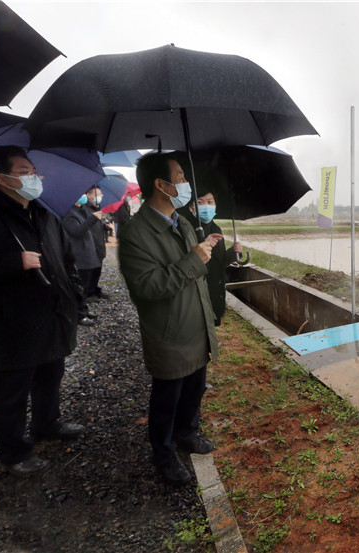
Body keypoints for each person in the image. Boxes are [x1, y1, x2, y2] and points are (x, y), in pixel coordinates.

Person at [0, 145, 86, 477]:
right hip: (10, 322)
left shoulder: (43, 213)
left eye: (34, 172)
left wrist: (75, 295)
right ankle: (13, 451)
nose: (34, 178)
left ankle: (47, 423)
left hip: (52, 312)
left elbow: (66, 259)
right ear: (0, 178)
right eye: (26, 172)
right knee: (12, 389)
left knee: (50, 376)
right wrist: (14, 261)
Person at [117, 152, 222, 486]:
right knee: (167, 398)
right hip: (169, 331)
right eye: (180, 177)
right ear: (160, 185)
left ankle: (187, 434)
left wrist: (203, 252)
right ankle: (163, 456)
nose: (186, 183)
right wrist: (193, 260)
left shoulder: (184, 223)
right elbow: (147, 287)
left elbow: (195, 275)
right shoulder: (136, 234)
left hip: (196, 325)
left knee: (194, 389)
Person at [179, 187, 243, 326]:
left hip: (216, 288)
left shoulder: (216, 229)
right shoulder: (186, 229)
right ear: (191, 208)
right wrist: (204, 243)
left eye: (210, 202)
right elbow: (185, 261)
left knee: (211, 325)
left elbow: (221, 261)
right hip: (197, 291)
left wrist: (234, 252)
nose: (206, 206)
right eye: (200, 202)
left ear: (215, 206)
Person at [63, 189, 104, 326]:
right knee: (79, 287)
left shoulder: (79, 210)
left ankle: (84, 310)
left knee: (85, 286)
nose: (83, 196)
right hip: (80, 257)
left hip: (87, 255)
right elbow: (77, 232)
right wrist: (93, 218)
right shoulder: (68, 213)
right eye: (80, 193)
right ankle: (79, 314)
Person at [83, 187, 112, 301]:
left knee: (97, 269)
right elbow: (86, 226)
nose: (100, 197)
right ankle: (89, 294)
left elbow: (96, 225)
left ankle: (95, 290)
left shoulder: (97, 207)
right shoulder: (85, 209)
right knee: (91, 270)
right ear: (89, 195)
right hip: (92, 244)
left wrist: (104, 226)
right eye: (97, 194)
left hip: (99, 243)